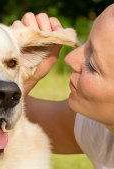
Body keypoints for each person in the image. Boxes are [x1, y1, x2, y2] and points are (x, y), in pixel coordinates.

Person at [12, 3, 114, 169]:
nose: (70, 59)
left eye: (93, 65)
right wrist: (20, 73)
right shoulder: (102, 130)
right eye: (86, 43)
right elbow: (18, 120)